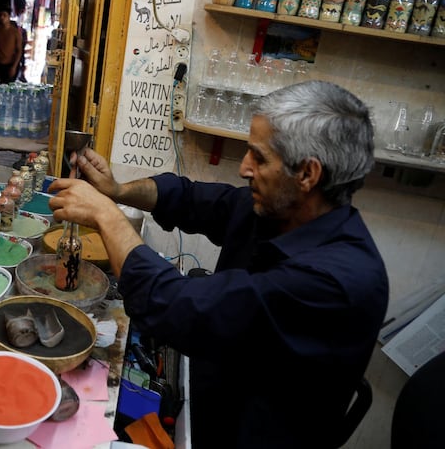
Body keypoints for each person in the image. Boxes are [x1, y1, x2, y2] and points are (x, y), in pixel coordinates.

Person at [48, 81, 389, 448]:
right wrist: (118, 191)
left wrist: (107, 215)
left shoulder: (334, 283)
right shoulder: (287, 211)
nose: (244, 168)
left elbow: (174, 305)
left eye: (259, 158)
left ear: (307, 174)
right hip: (209, 403)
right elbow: (191, 199)